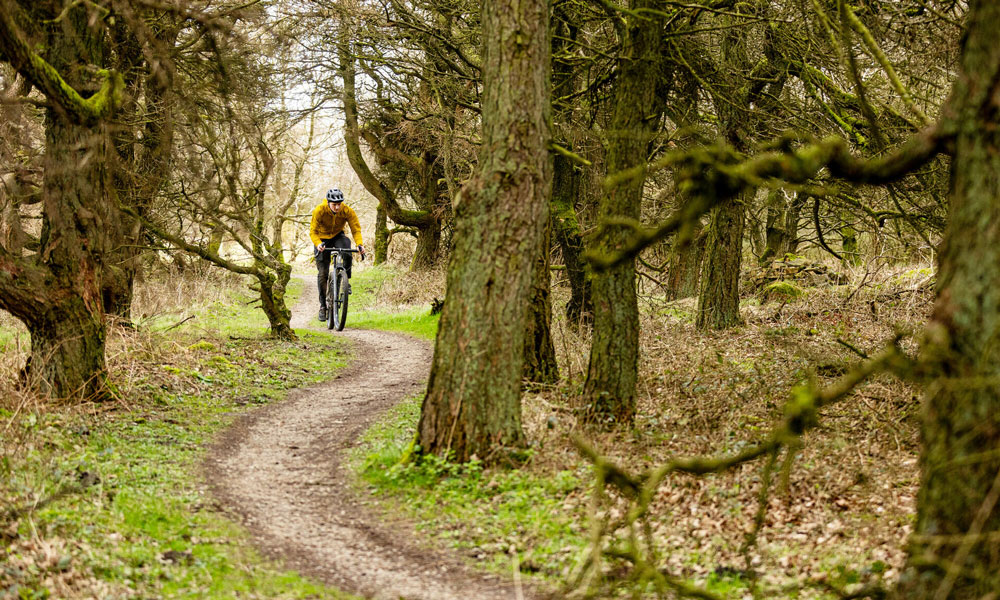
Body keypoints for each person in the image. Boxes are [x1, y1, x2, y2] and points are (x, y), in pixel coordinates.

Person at [310, 188, 365, 321]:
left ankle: (346, 280)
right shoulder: (319, 210)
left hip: (337, 236)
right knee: (322, 273)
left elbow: (355, 229)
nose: (337, 207)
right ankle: (323, 306)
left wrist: (360, 244)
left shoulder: (347, 211)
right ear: (328, 203)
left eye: (339, 204)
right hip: (321, 239)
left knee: (346, 248)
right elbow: (313, 231)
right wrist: (318, 244)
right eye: (334, 204)